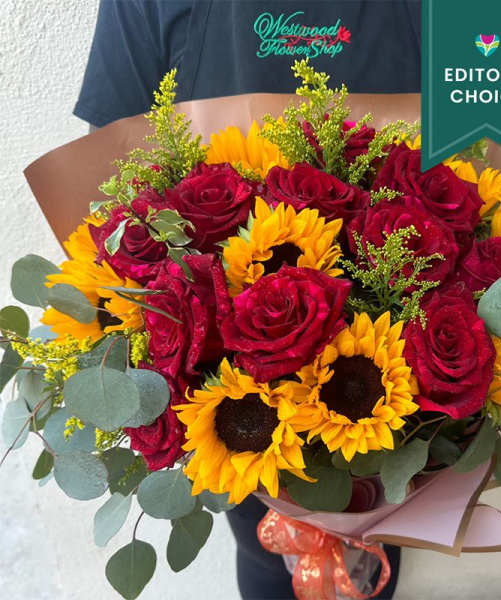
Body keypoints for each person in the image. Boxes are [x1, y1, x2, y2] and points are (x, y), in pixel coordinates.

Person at [75, 2, 422, 598]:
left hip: (402, 362)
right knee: (267, 541)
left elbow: (500, 119)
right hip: (227, 378)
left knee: (376, 527)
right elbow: (112, 169)